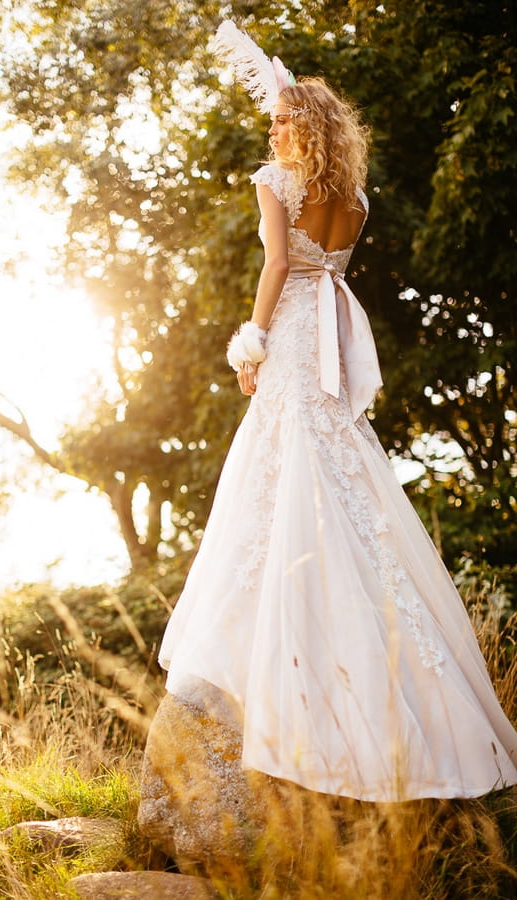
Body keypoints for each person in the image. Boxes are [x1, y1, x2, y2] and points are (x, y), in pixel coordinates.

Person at [158, 22, 517, 801]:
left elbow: (280, 264)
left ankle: (281, 655)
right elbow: (328, 266)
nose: (273, 129)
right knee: (335, 470)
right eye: (273, 121)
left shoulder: (273, 181)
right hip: (327, 331)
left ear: (306, 126)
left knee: (281, 465)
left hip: (293, 336)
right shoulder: (353, 197)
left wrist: (251, 341)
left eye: (285, 121)